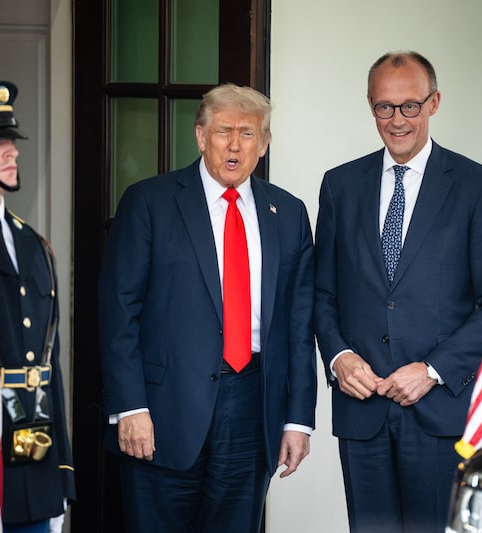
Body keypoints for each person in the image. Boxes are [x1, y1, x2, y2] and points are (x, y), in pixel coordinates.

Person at [98, 83, 317, 532]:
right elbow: (118, 310)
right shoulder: (149, 202)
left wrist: (299, 419)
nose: (235, 145)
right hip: (161, 410)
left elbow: (299, 324)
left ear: (265, 143)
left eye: (248, 133)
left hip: (252, 407)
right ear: (200, 137)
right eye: (223, 132)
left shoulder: (289, 214)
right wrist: (130, 407)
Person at [314, 51, 482, 533]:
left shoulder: (478, 187)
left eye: (410, 106)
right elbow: (322, 294)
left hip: (439, 414)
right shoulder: (340, 186)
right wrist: (339, 357)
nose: (397, 119)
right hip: (362, 413)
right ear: (370, 105)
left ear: (434, 103)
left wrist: (432, 370)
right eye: (385, 107)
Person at [0, 80, 76, 533]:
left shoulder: (32, 243)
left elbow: (48, 365)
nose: (11, 152)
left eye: (12, 142)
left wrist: (61, 477)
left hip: (35, 459)